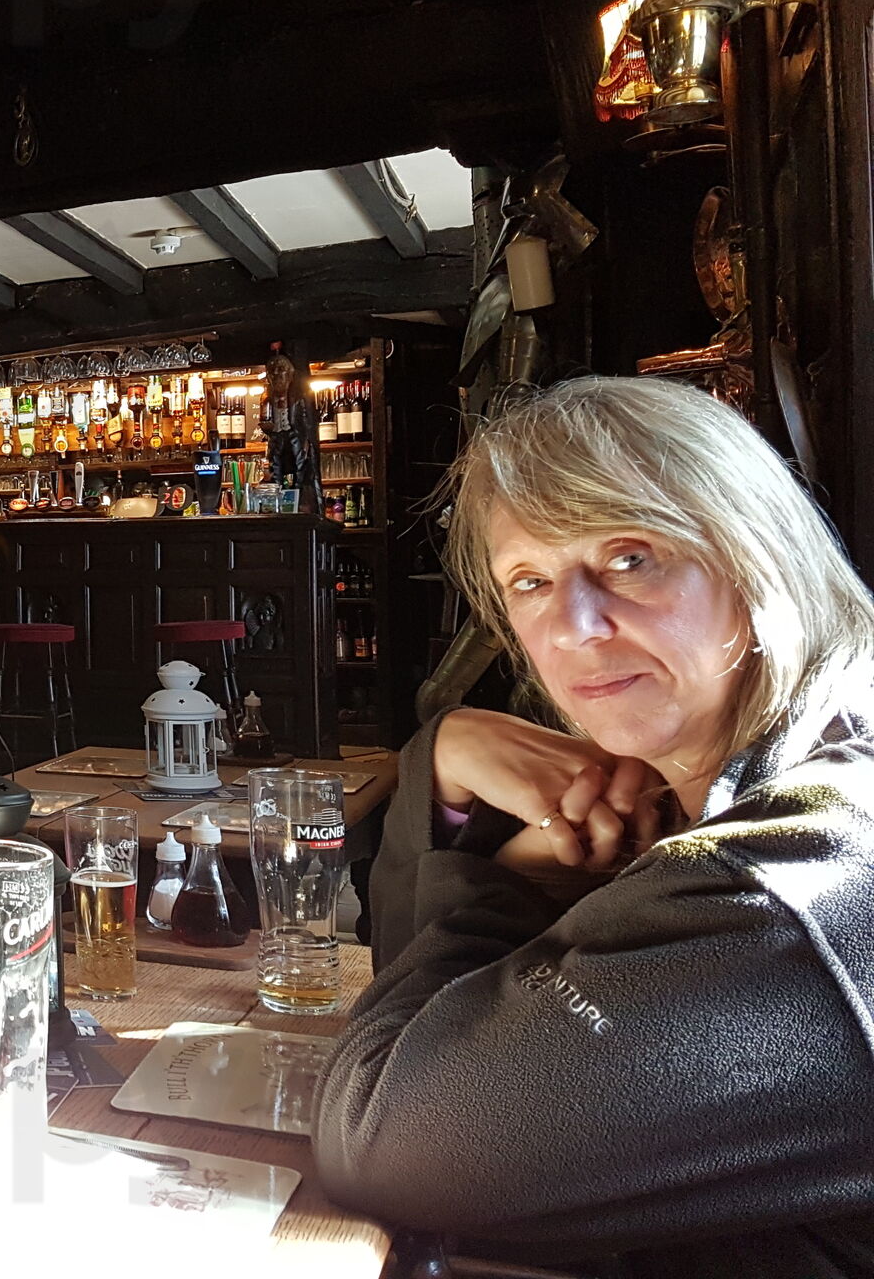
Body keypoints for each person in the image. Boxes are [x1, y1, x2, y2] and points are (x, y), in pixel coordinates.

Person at [314, 376, 874, 1278]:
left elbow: (385, 1137)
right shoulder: (730, 797)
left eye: (630, 557)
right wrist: (447, 766)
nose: (573, 627)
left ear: (757, 555)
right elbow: (430, 1033)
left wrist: (508, 883)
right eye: (530, 581)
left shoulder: (800, 872)